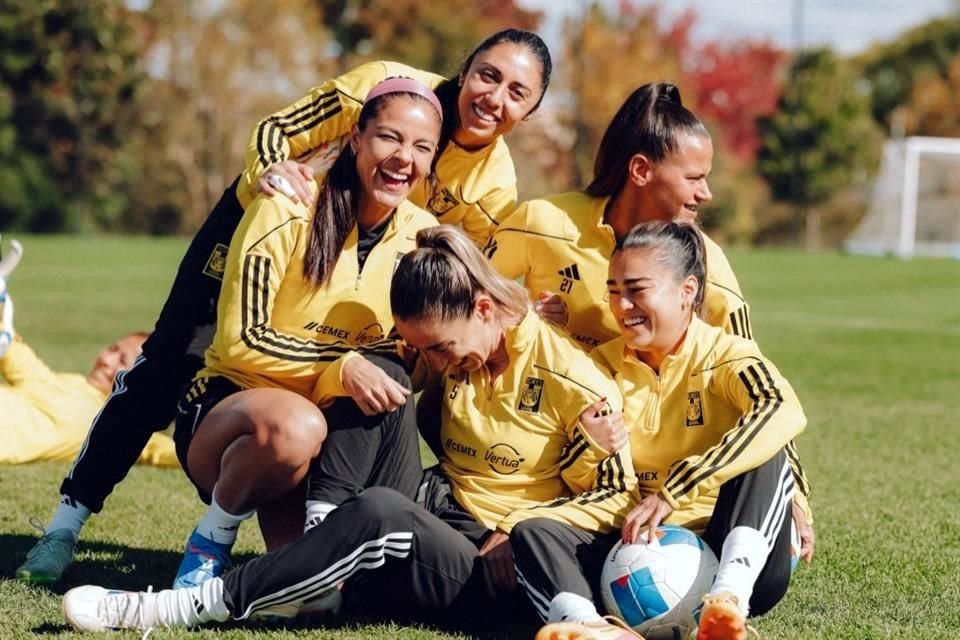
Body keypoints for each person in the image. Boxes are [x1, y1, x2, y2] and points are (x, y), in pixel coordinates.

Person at [16, 27, 552, 585]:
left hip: (369, 262)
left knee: (379, 367)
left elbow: (466, 278)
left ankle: (314, 528)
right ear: (466, 69)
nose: (495, 97)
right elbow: (277, 130)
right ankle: (64, 526)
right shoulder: (377, 86)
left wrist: (526, 313)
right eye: (489, 75)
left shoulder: (495, 188)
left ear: (532, 110)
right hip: (283, 226)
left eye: (518, 91)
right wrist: (271, 173)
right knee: (171, 362)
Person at [61, 225, 636, 634]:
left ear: (485, 309)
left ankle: (170, 610)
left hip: (488, 558)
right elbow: (392, 387)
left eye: (440, 348)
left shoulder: (575, 380)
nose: (433, 363)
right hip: (439, 505)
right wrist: (354, 365)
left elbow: (617, 495)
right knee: (380, 374)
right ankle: (321, 542)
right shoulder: (456, 351)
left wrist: (518, 528)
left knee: (380, 511)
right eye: (423, 348)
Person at [485, 82, 813, 553]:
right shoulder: (541, 222)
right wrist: (525, 322)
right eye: (694, 177)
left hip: (649, 475)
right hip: (554, 449)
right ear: (641, 170)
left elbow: (759, 388)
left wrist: (794, 494)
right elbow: (467, 313)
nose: (707, 193)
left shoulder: (707, 265)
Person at [168, 76, 452, 591]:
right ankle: (210, 541)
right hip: (235, 416)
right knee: (298, 424)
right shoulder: (285, 205)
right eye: (388, 137)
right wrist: (338, 365)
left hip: (333, 441)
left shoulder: (422, 236)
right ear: (356, 139)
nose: (402, 157)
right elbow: (239, 340)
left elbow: (413, 355)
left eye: (421, 147)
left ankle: (322, 537)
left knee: (317, 588)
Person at [525, 222, 807, 640]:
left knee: (765, 454)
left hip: (726, 538)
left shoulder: (726, 354)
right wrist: (589, 446)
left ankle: (726, 603)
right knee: (534, 531)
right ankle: (593, 628)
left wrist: (674, 491)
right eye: (614, 290)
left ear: (687, 291)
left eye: (636, 290)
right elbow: (575, 478)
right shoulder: (598, 366)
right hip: (632, 545)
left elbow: (780, 409)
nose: (622, 306)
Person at [0, 271, 176, 468]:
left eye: (122, 361)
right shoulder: (63, 381)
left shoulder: (118, 425)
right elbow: (10, 346)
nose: (107, 361)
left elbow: (178, 453)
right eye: (112, 349)